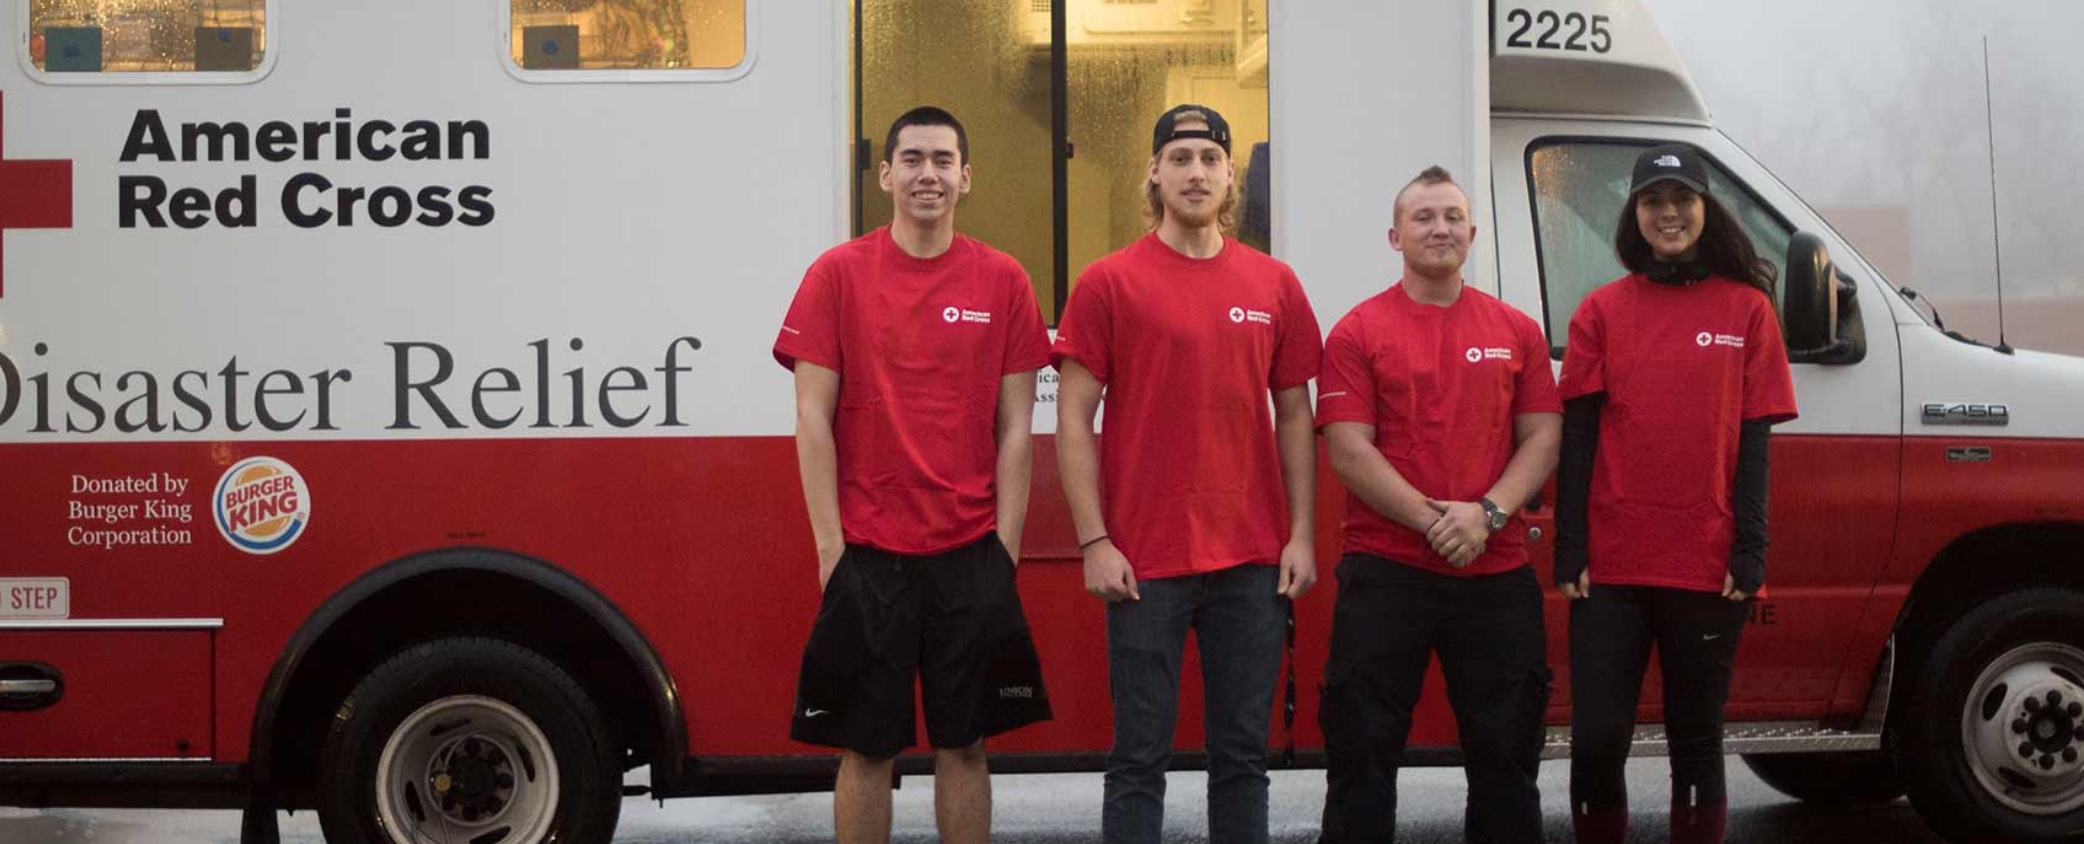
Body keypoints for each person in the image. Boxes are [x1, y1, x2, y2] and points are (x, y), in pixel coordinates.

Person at [774, 105, 1054, 844]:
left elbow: (1018, 427)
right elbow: (812, 420)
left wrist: (1006, 549)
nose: (927, 174)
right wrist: (831, 551)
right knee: (865, 748)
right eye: (912, 159)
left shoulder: (1003, 281)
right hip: (869, 554)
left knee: (965, 745)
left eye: (942, 160)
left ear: (967, 177)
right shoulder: (836, 276)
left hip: (969, 552)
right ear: (885, 174)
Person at [1053, 103, 1323, 844]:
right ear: (1154, 172)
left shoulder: (1275, 284)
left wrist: (1300, 535)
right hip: (1145, 560)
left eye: (1210, 158)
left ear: (1231, 175)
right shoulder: (1109, 282)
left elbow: (1296, 416)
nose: (1196, 172)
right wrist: (1094, 540)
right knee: (1138, 758)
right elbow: (1072, 417)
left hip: (1253, 559)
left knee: (1242, 758)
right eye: (1180, 158)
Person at [1556, 144, 1798, 844]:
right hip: (1611, 565)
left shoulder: (1749, 311)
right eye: (1654, 200)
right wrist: (1570, 545)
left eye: (1682, 199)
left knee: (1697, 738)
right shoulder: (1601, 310)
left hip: (1704, 557)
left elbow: (1754, 442)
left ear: (1704, 209)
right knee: (1599, 741)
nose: (1669, 213)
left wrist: (1751, 549)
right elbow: (1578, 438)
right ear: (1635, 214)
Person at [1313, 165, 1562, 844]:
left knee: (1507, 764)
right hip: (1385, 575)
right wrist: (1438, 522)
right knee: (1361, 759)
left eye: (1452, 216)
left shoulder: (1517, 331)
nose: (1440, 228)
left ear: (1472, 233)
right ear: (1395, 236)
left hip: (1496, 575)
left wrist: (1486, 515)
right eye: (1423, 217)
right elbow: (1349, 451)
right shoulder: (1357, 332)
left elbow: (1543, 437)